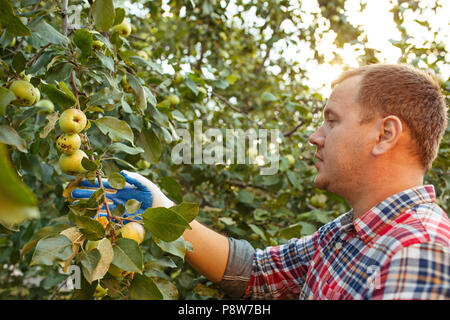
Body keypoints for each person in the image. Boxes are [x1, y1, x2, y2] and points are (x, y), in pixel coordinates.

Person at [71, 63, 449, 300]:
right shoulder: (344, 233)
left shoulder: (417, 250)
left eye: (332, 120)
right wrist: (161, 208)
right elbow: (255, 273)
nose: (315, 136)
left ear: (384, 135)